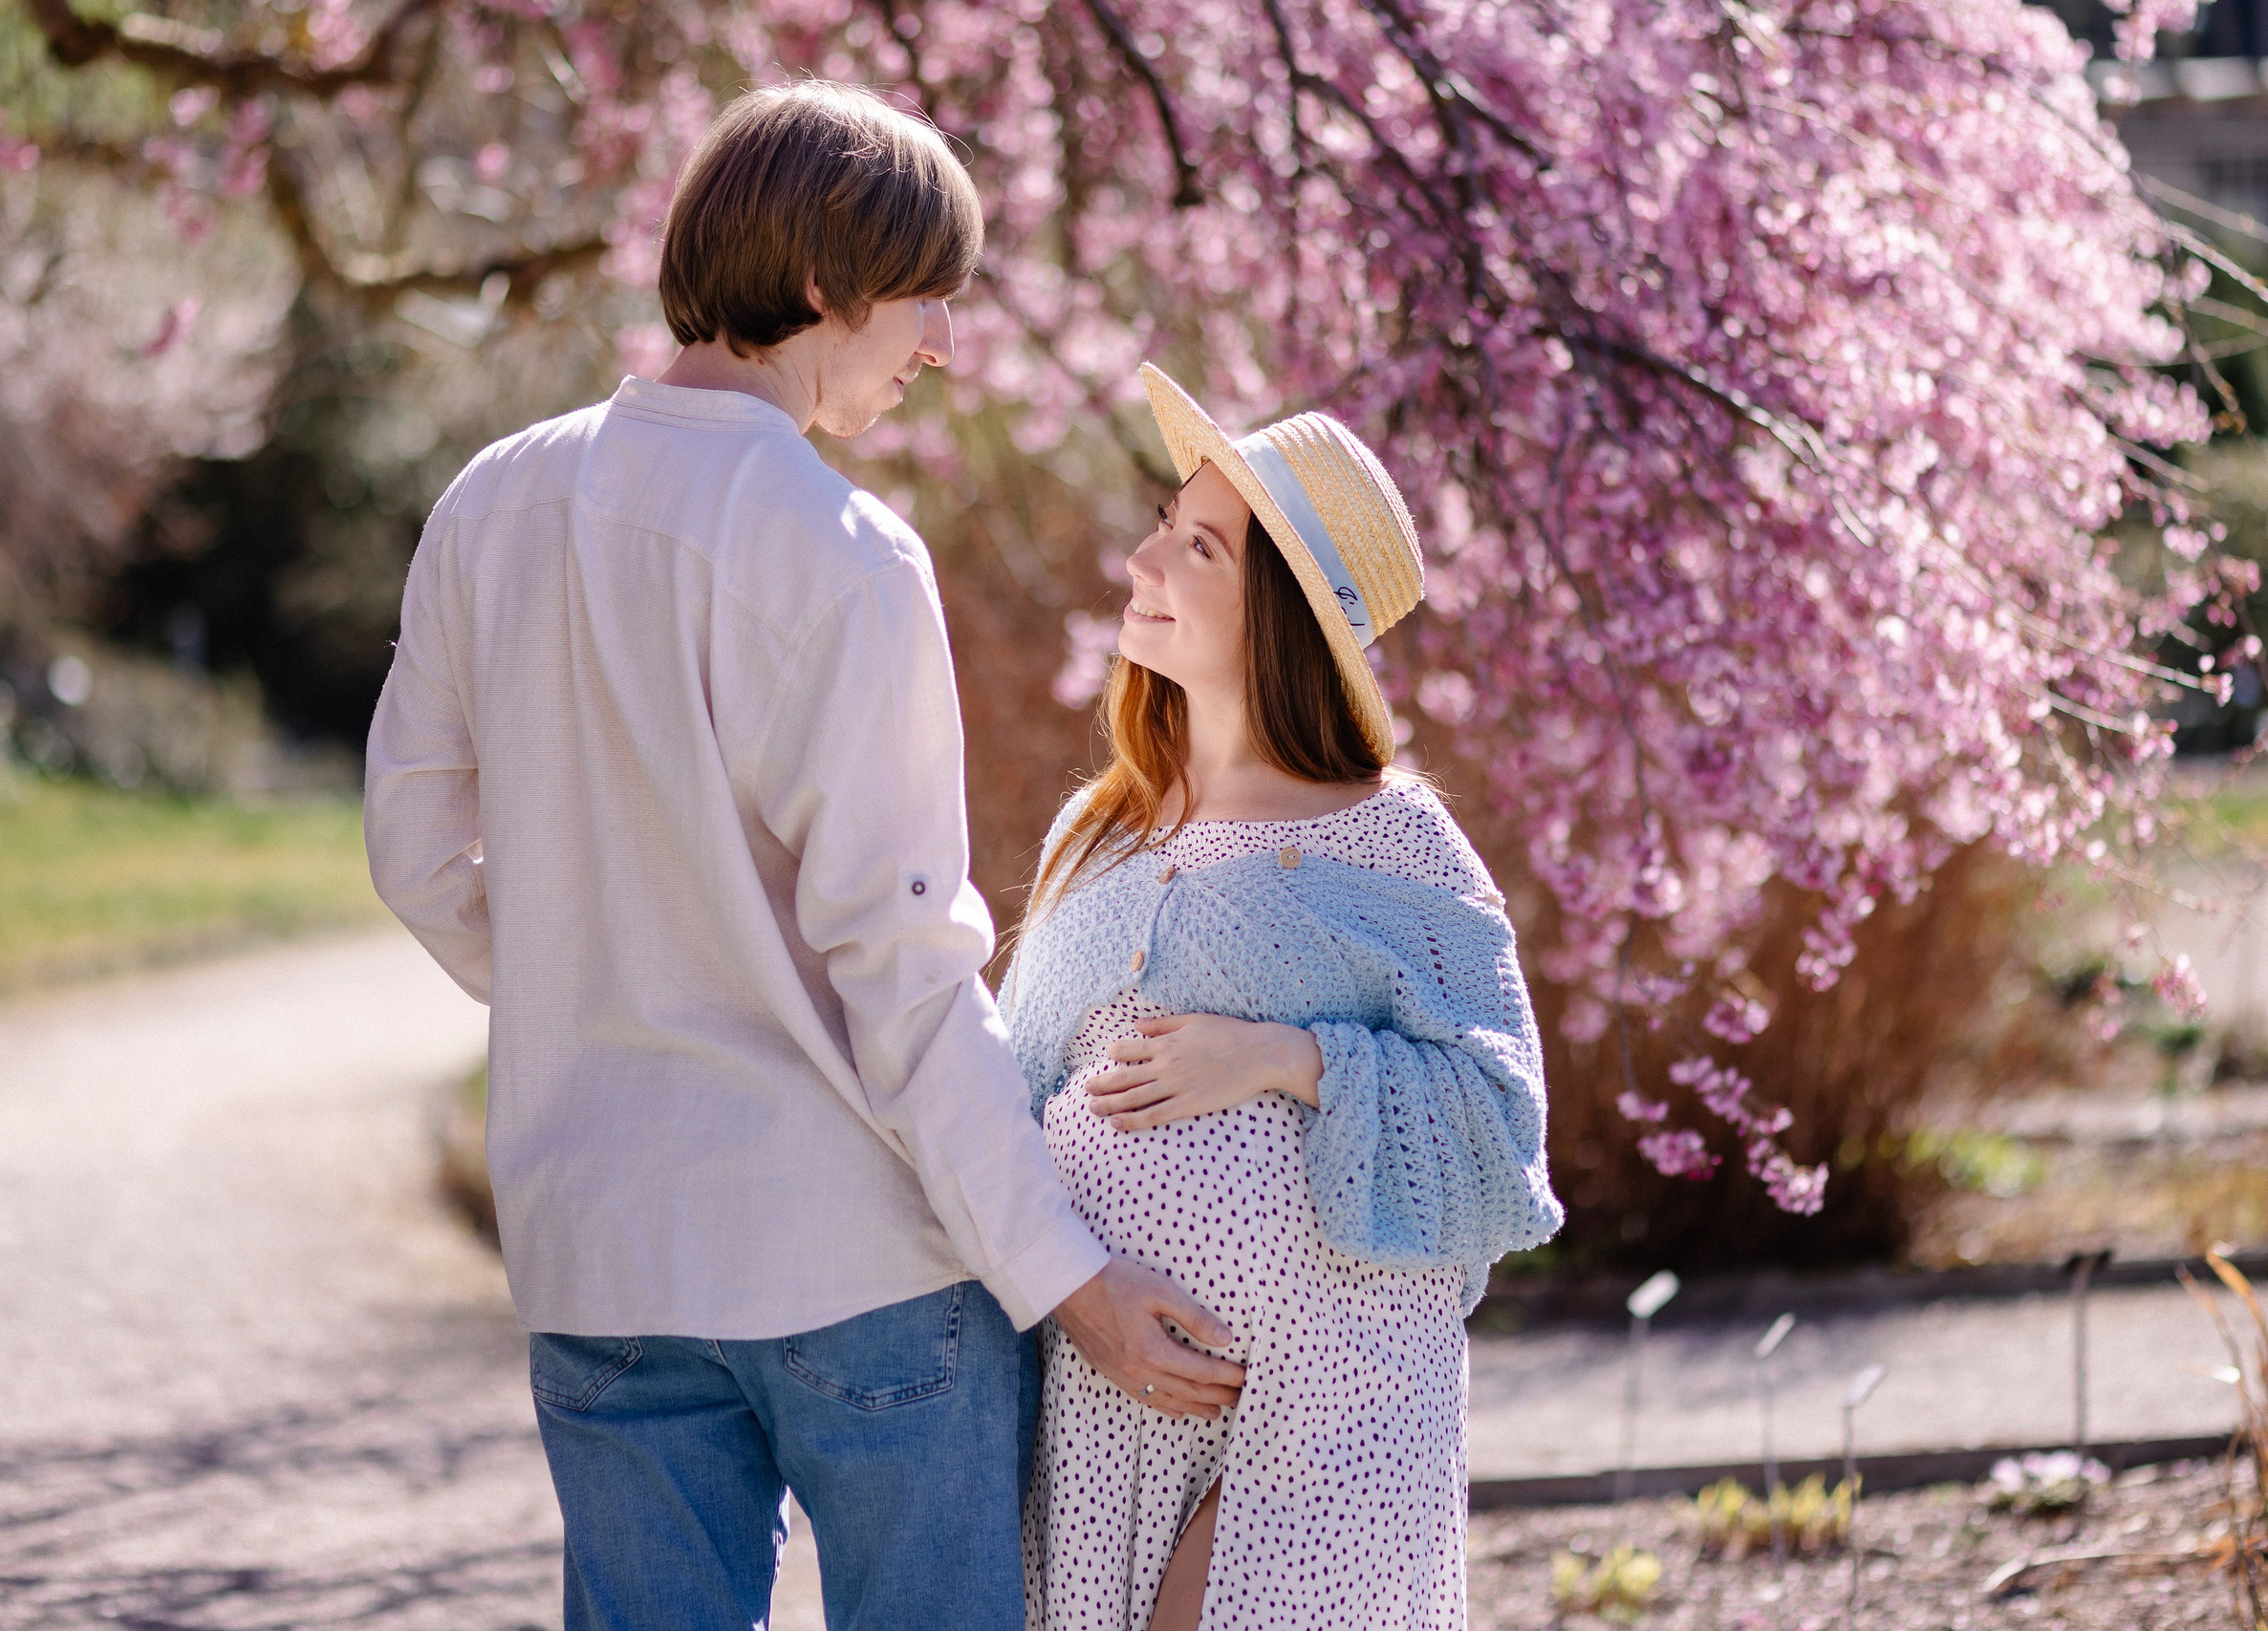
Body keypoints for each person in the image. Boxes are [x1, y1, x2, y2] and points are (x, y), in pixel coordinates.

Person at [363, 86, 1242, 1631]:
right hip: (860, 1260)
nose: (941, 344)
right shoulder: (845, 553)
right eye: (923, 298)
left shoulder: (492, 502)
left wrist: (595, 980)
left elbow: (414, 849)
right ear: (827, 286)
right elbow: (903, 969)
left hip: (602, 1252)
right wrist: (1067, 1278)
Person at [1004, 365, 1566, 1631]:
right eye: (1165, 522)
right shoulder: (1094, 838)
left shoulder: (1397, 846)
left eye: (1198, 546)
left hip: (1327, 1421)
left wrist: (1284, 1057)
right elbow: (1005, 1103)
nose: (1145, 558)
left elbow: (1500, 1123)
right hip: (1101, 1412)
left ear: (1282, 619)